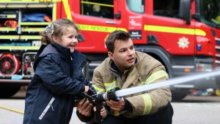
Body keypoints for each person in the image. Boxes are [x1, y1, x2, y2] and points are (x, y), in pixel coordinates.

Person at [77, 30, 173, 124]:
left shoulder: (151, 65)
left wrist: (128, 104)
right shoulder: (101, 72)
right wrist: (89, 113)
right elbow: (97, 101)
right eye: (123, 50)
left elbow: (163, 95)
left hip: (145, 117)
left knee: (165, 108)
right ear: (111, 55)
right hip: (120, 116)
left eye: (131, 48)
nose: (131, 53)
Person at [23, 19, 91, 124]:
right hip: (42, 117)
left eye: (76, 37)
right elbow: (59, 82)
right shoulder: (48, 57)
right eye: (70, 37)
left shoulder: (69, 59)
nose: (75, 41)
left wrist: (93, 92)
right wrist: (82, 88)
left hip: (58, 117)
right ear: (55, 38)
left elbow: (79, 79)